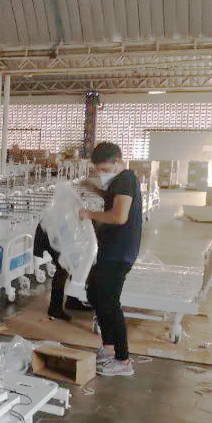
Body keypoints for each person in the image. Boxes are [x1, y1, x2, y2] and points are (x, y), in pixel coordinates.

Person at [78, 142, 142, 377]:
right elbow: (114, 198)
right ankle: (108, 347)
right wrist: (94, 189)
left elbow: (119, 216)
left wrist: (89, 214)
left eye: (105, 169)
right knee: (95, 294)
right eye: (98, 170)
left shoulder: (125, 179)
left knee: (109, 302)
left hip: (119, 251)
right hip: (110, 249)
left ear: (118, 162)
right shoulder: (120, 181)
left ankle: (123, 360)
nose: (102, 173)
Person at [33, 222, 92, 321]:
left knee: (74, 265)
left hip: (59, 229)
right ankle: (55, 308)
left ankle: (73, 301)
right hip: (54, 230)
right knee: (63, 268)